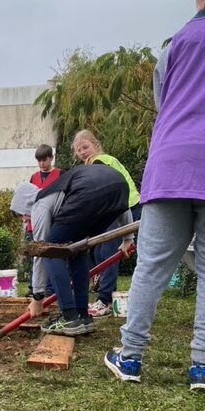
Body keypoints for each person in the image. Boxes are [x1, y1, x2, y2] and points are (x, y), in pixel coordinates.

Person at [105, 0, 205, 390]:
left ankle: (129, 358)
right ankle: (202, 366)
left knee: (149, 267)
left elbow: (166, 104)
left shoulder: (174, 46)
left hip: (170, 163)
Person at [10, 165, 134, 336]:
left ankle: (69, 317)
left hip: (85, 193)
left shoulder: (39, 203)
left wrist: (38, 297)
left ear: (25, 203)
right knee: (77, 250)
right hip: (119, 185)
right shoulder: (57, 192)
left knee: (50, 251)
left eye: (23, 215)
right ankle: (83, 317)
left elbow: (41, 251)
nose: (26, 220)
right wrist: (128, 239)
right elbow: (121, 205)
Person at [72, 130, 141, 317]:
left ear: (95, 145)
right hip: (121, 207)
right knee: (98, 250)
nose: (83, 152)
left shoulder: (99, 161)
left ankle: (105, 301)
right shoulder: (100, 162)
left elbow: (103, 191)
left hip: (123, 208)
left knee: (108, 251)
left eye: (85, 147)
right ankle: (104, 292)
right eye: (79, 150)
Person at [24, 144, 61, 296]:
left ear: (51, 158)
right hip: (35, 222)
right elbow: (30, 199)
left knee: (51, 255)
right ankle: (34, 288)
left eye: (45, 160)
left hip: (52, 222)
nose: (42, 164)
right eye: (39, 161)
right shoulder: (33, 177)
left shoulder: (60, 174)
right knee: (36, 254)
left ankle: (51, 289)